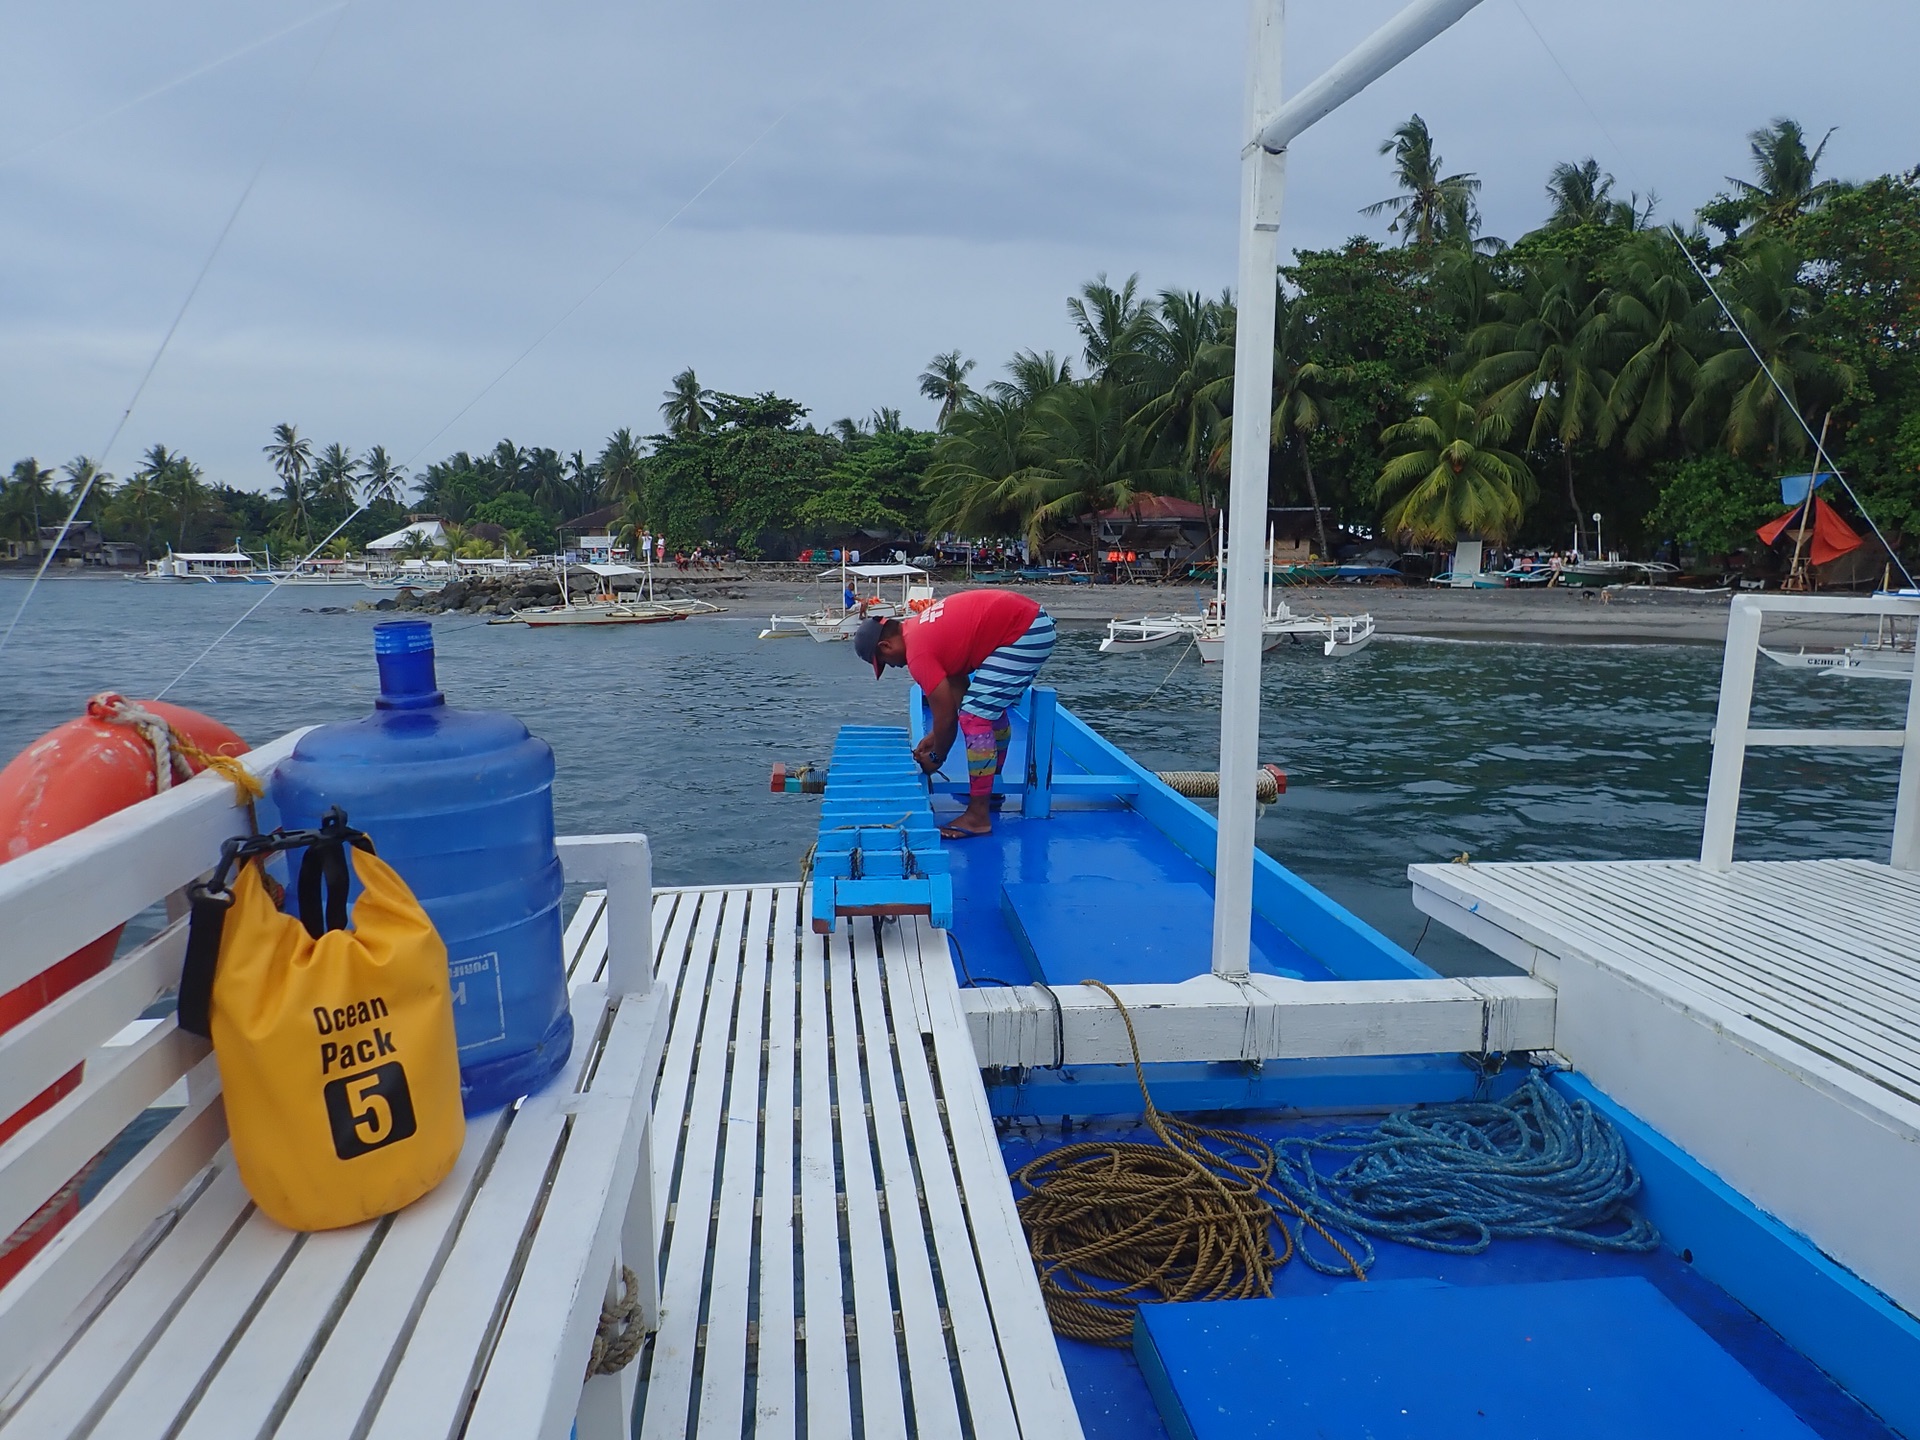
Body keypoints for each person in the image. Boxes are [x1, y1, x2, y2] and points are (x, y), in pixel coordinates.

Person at [852, 590, 1055, 839]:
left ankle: (978, 816)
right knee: (986, 709)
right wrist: (935, 736)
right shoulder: (921, 629)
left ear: (886, 645)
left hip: (1024, 631)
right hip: (1032, 622)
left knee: (975, 718)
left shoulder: (918, 653)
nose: (894, 666)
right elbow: (957, 689)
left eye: (884, 661)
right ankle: (990, 789)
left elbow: (948, 715)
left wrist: (937, 756)